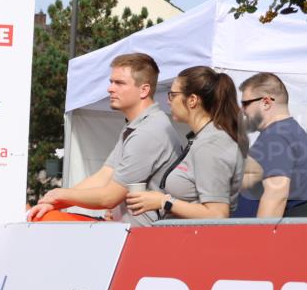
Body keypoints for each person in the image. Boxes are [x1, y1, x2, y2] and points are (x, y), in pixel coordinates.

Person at [27, 53, 181, 225]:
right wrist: (54, 202)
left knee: (45, 219)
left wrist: (60, 195)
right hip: (124, 229)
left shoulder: (148, 131)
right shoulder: (138, 125)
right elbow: (104, 175)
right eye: (111, 82)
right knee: (45, 216)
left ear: (144, 90)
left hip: (143, 235)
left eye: (119, 83)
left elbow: (109, 198)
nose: (110, 89)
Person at [125, 67, 246, 220]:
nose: (168, 101)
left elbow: (217, 214)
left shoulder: (212, 144)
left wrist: (164, 202)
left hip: (196, 235)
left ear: (192, 100)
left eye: (173, 95)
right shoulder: (202, 139)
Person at [238, 72, 307, 217]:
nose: (242, 110)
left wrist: (261, 232)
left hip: (286, 227)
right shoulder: (291, 131)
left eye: (245, 103)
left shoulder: (275, 136)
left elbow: (276, 194)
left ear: (266, 103)